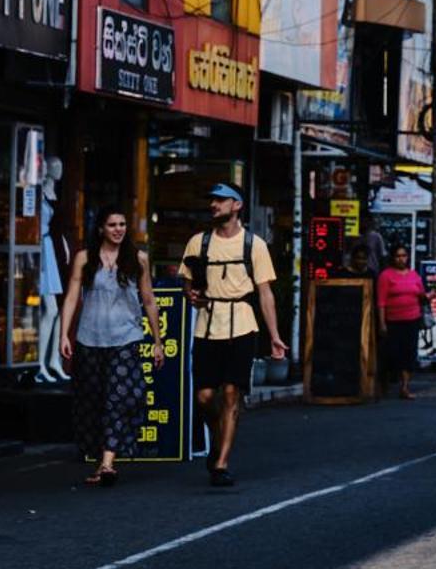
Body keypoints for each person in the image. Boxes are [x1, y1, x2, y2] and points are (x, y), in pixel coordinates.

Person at [182, 183, 285, 487]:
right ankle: (218, 438)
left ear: (236, 205)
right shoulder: (198, 242)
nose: (214, 205)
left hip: (241, 324)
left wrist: (275, 335)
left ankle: (221, 463)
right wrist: (192, 295)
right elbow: (187, 283)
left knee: (231, 393)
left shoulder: (254, 245)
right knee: (204, 397)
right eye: (211, 200)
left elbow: (265, 293)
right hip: (206, 324)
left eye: (220, 200)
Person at [60, 208, 165, 487]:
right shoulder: (85, 258)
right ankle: (100, 461)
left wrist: (157, 342)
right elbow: (71, 298)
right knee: (92, 400)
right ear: (101, 229)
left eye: (122, 224)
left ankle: (108, 463)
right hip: (89, 338)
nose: (118, 229)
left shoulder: (138, 259)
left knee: (119, 398)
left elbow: (149, 300)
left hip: (126, 338)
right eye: (112, 225)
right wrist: (64, 335)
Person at [376, 245, 429, 400]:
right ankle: (384, 383)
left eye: (404, 255)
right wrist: (382, 323)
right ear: (393, 257)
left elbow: (421, 294)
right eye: (398, 256)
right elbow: (381, 302)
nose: (401, 259)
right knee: (391, 354)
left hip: (412, 319)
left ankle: (405, 387)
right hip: (393, 321)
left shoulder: (414, 275)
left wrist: (427, 296)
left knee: (409, 354)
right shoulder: (386, 276)